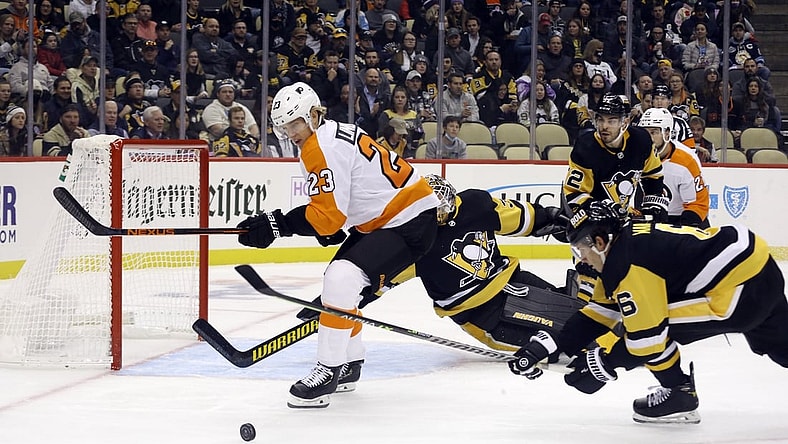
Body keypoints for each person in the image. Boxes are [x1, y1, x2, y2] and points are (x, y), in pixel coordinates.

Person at [236, 82, 439, 408]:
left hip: (406, 221)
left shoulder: (320, 147)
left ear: (314, 115)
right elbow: (346, 199)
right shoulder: (333, 133)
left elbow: (329, 217)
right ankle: (350, 363)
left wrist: (278, 224)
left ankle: (328, 371)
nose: (290, 132)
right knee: (342, 285)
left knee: (342, 279)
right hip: (391, 216)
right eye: (284, 127)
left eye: (295, 123)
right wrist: (316, 224)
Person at [509, 199, 788, 424]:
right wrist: (551, 345)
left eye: (581, 248)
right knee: (781, 344)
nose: (581, 258)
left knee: (648, 330)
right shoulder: (623, 247)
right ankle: (679, 392)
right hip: (759, 266)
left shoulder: (626, 264)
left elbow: (646, 338)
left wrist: (604, 365)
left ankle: (679, 395)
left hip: (739, 292)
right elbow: (599, 311)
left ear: (601, 242)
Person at [563, 92, 666, 223]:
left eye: (611, 120)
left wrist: (653, 204)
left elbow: (653, 175)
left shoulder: (641, 141)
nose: (604, 126)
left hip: (623, 216)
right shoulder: (586, 148)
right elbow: (574, 195)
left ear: (625, 122)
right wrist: (600, 208)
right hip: (592, 222)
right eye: (600, 119)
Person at [637, 108, 709, 227]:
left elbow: (698, 204)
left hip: (682, 217)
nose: (648, 138)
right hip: (650, 216)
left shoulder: (686, 160)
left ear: (667, 133)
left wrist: (681, 232)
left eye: (654, 132)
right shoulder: (634, 155)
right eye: (644, 133)